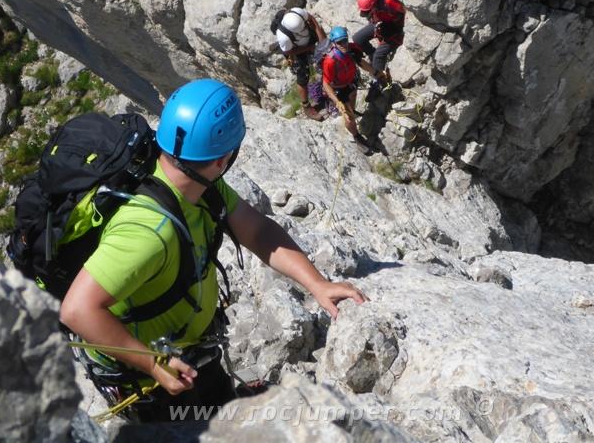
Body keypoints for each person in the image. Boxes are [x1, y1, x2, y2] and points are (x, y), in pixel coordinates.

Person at [59, 79, 366, 421]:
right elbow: (77, 310)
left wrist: (317, 283)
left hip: (192, 354)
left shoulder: (202, 185)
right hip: (154, 381)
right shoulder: (147, 231)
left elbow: (258, 230)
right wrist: (153, 362)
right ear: (222, 159)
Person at [320, 26, 373, 151]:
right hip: (338, 88)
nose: (343, 44)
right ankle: (356, 135)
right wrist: (337, 102)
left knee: (352, 100)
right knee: (348, 116)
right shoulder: (330, 61)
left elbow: (360, 62)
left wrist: (375, 72)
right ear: (334, 43)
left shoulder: (352, 49)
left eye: (344, 40)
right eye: (339, 42)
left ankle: (351, 112)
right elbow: (326, 84)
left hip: (350, 81)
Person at [352, 0, 406, 101]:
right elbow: (373, 18)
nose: (365, 14)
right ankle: (373, 57)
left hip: (394, 29)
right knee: (358, 38)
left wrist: (387, 27)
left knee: (379, 55)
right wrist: (378, 23)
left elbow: (402, 15)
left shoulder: (389, 3)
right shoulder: (375, 5)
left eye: (367, 11)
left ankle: (379, 84)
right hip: (381, 22)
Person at [270, 7, 326, 120]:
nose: (304, 27)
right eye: (301, 28)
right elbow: (289, 51)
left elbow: (312, 21)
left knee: (325, 53)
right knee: (302, 76)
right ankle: (306, 107)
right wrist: (309, 48)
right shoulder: (284, 37)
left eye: (303, 25)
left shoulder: (297, 12)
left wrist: (323, 42)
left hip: (307, 37)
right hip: (296, 49)